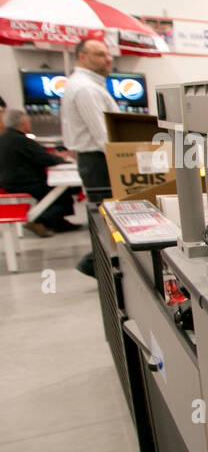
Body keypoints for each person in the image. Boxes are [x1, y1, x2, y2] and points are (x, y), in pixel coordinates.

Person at [61, 37, 119, 277]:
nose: (107, 59)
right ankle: (100, 265)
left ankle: (103, 264)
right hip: (100, 162)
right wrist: (125, 164)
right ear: (81, 57)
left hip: (96, 160)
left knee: (106, 216)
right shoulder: (86, 88)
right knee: (107, 217)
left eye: (107, 54)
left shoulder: (87, 85)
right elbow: (103, 135)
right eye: (99, 54)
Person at [0, 108, 77, 236]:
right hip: (24, 183)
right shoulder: (20, 140)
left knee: (59, 191)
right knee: (62, 194)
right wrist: (61, 159)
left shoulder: (4, 138)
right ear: (23, 124)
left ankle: (58, 223)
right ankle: (38, 220)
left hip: (8, 182)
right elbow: (43, 158)